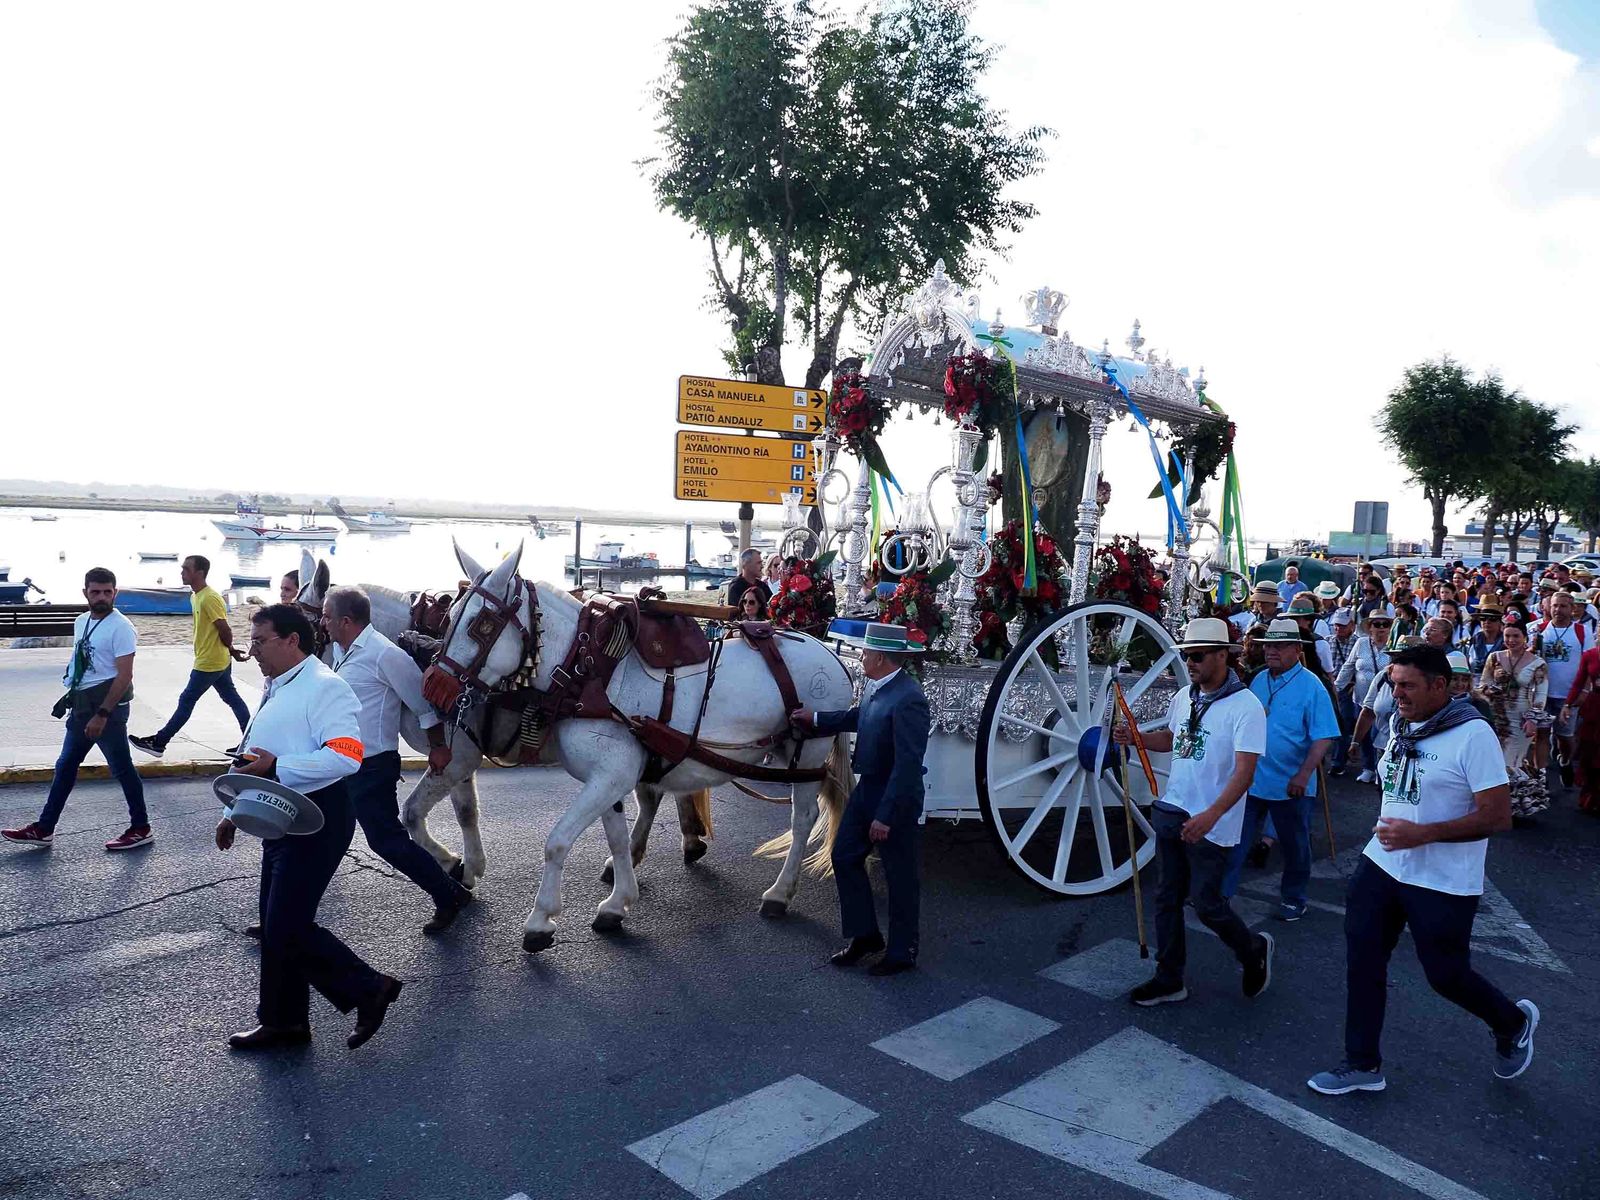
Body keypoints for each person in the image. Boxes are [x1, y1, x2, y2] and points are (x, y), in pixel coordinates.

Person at [1307, 645, 1537, 1095]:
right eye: (1394, 684)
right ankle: (1362, 1063)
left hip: (1443, 879)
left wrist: (1424, 833)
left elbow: (1497, 816)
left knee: (1445, 975)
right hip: (1382, 865)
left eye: (1408, 686)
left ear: (1440, 685)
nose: (1398, 695)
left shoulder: (1473, 735)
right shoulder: (1403, 724)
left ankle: (1511, 1022)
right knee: (1364, 959)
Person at [216, 603, 402, 1052]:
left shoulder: (325, 687)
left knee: (287, 925)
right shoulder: (277, 684)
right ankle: (284, 1022)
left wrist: (278, 764)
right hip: (279, 812)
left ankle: (368, 988)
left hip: (319, 817)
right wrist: (231, 812)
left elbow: (346, 756)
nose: (252, 649)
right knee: (274, 922)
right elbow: (254, 753)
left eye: (260, 641)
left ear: (291, 640)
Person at [1113, 618, 1274, 1007]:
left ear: (1224, 655)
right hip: (1173, 807)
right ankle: (1169, 978)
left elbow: (1245, 772)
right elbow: (1172, 738)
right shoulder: (1185, 696)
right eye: (1187, 656)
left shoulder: (1247, 707)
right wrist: (1137, 739)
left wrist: (1213, 815)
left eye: (1198, 656)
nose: (1191, 663)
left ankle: (1252, 950)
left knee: (1206, 904)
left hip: (1211, 821)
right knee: (1166, 898)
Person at [320, 586, 473, 934]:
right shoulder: (339, 652)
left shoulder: (384, 654)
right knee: (321, 837)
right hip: (338, 762)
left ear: (346, 620)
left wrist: (438, 748)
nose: (323, 622)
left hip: (371, 765)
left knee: (386, 841)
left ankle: (449, 895)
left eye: (328, 617)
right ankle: (286, 912)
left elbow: (424, 706)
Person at [791, 622, 930, 976]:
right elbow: (860, 717)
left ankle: (903, 951)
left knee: (900, 876)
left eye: (865, 653)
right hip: (868, 787)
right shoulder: (876, 685)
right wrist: (817, 719)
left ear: (881, 657)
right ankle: (865, 934)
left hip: (894, 797)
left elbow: (908, 764)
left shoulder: (909, 699)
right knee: (844, 855)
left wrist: (885, 816)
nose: (861, 657)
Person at [3, 567, 151, 851]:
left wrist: (102, 714)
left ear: (115, 593)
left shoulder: (121, 628)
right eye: (96, 592)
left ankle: (141, 827)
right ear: (85, 593)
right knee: (66, 766)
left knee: (122, 769)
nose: (102, 597)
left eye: (108, 592)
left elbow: (124, 676)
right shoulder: (82, 620)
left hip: (107, 709)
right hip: (82, 705)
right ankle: (44, 829)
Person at [1223, 618, 1339, 921]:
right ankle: (1222, 894)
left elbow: (1324, 736)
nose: (1272, 651)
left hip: (1292, 784)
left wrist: (1303, 774)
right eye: (1268, 645)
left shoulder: (1313, 686)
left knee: (1294, 846)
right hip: (1252, 779)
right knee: (1236, 839)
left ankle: (1294, 898)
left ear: (1297, 649)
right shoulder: (1258, 679)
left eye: (1279, 645)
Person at [130, 555, 251, 757]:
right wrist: (230, 652)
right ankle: (250, 742)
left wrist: (229, 649)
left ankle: (159, 742)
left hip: (209, 662)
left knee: (187, 700)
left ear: (200, 573)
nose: (182, 572)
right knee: (232, 698)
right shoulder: (195, 596)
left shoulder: (210, 597)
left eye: (186, 569)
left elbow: (224, 629)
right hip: (215, 659)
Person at [1480, 621, 1550, 819]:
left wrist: (1533, 719)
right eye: (1507, 636)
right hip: (1496, 716)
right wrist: (1490, 692)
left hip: (1521, 718)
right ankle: (1501, 806)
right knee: (1496, 760)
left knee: (1512, 760)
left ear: (1525, 638)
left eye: (1516, 636)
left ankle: (1514, 806)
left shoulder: (1538, 663)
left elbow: (1541, 694)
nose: (1511, 640)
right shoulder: (1494, 658)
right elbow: (1484, 682)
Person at [1530, 591, 1583, 786]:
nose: (1558, 610)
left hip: (1567, 696)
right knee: (1542, 734)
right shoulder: (1539, 629)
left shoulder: (1581, 631)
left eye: (1563, 606)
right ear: (1548, 607)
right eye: (1554, 606)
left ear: (1572, 609)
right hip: (1542, 694)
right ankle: (1540, 776)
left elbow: (1588, 664)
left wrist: (1583, 692)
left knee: (1565, 737)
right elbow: (1529, 658)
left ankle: (1565, 759)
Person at [1564, 640, 1600, 816]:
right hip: (1595, 708)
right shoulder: (1590, 655)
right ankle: (1591, 798)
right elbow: (1578, 682)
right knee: (1591, 755)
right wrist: (1567, 705)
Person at [1327, 610, 1359, 774]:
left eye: (1342, 625)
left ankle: (1337, 762)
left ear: (1352, 626)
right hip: (1329, 688)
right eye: (1336, 625)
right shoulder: (1328, 641)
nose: (1338, 628)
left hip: (1346, 690)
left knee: (1344, 725)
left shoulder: (1359, 643)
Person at [726, 548, 772, 618]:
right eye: (758, 563)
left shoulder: (762, 586)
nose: (762, 566)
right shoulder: (736, 586)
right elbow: (736, 614)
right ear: (746, 564)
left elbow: (773, 606)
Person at [1468, 605, 1505, 674]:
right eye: (1483, 618)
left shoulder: (1506, 642)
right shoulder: (1473, 640)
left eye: (1492, 618)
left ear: (1500, 622)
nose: (1487, 621)